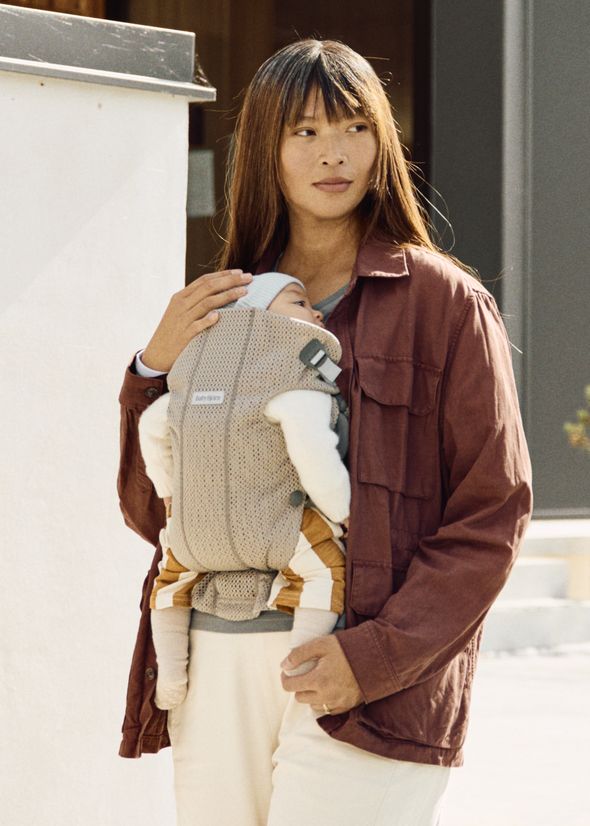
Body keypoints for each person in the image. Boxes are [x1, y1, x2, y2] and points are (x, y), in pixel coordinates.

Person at [117, 38, 533, 826]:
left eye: (353, 127)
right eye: (304, 132)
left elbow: (492, 516)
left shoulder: (444, 304)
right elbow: (152, 512)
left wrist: (373, 658)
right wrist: (149, 369)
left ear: (383, 141)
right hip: (219, 656)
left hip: (372, 679)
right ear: (265, 149)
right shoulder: (220, 305)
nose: (332, 153)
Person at [137, 273, 349, 709]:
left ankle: (172, 677)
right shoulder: (297, 385)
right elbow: (313, 454)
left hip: (193, 530)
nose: (317, 312)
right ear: (254, 317)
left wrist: (168, 491)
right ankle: (301, 665)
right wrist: (341, 510)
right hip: (276, 529)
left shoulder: (189, 387)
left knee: (168, 583)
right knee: (326, 570)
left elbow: (151, 425)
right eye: (298, 302)